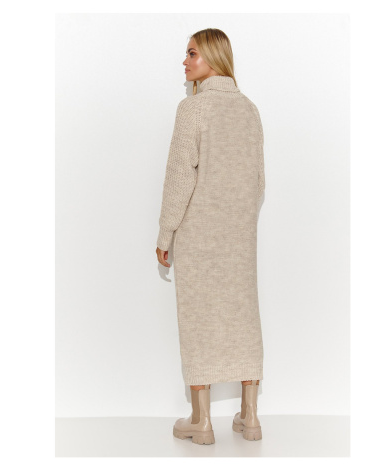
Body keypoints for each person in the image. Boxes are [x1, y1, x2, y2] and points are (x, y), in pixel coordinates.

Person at [156, 28, 265, 445]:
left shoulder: (193, 109)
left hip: (198, 234)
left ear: (214, 57)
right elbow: (258, 181)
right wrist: (238, 219)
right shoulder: (250, 110)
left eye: (192, 54)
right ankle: (250, 416)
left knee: (198, 319)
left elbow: (179, 179)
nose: (184, 62)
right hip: (239, 237)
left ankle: (201, 421)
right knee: (244, 315)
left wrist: (165, 233)